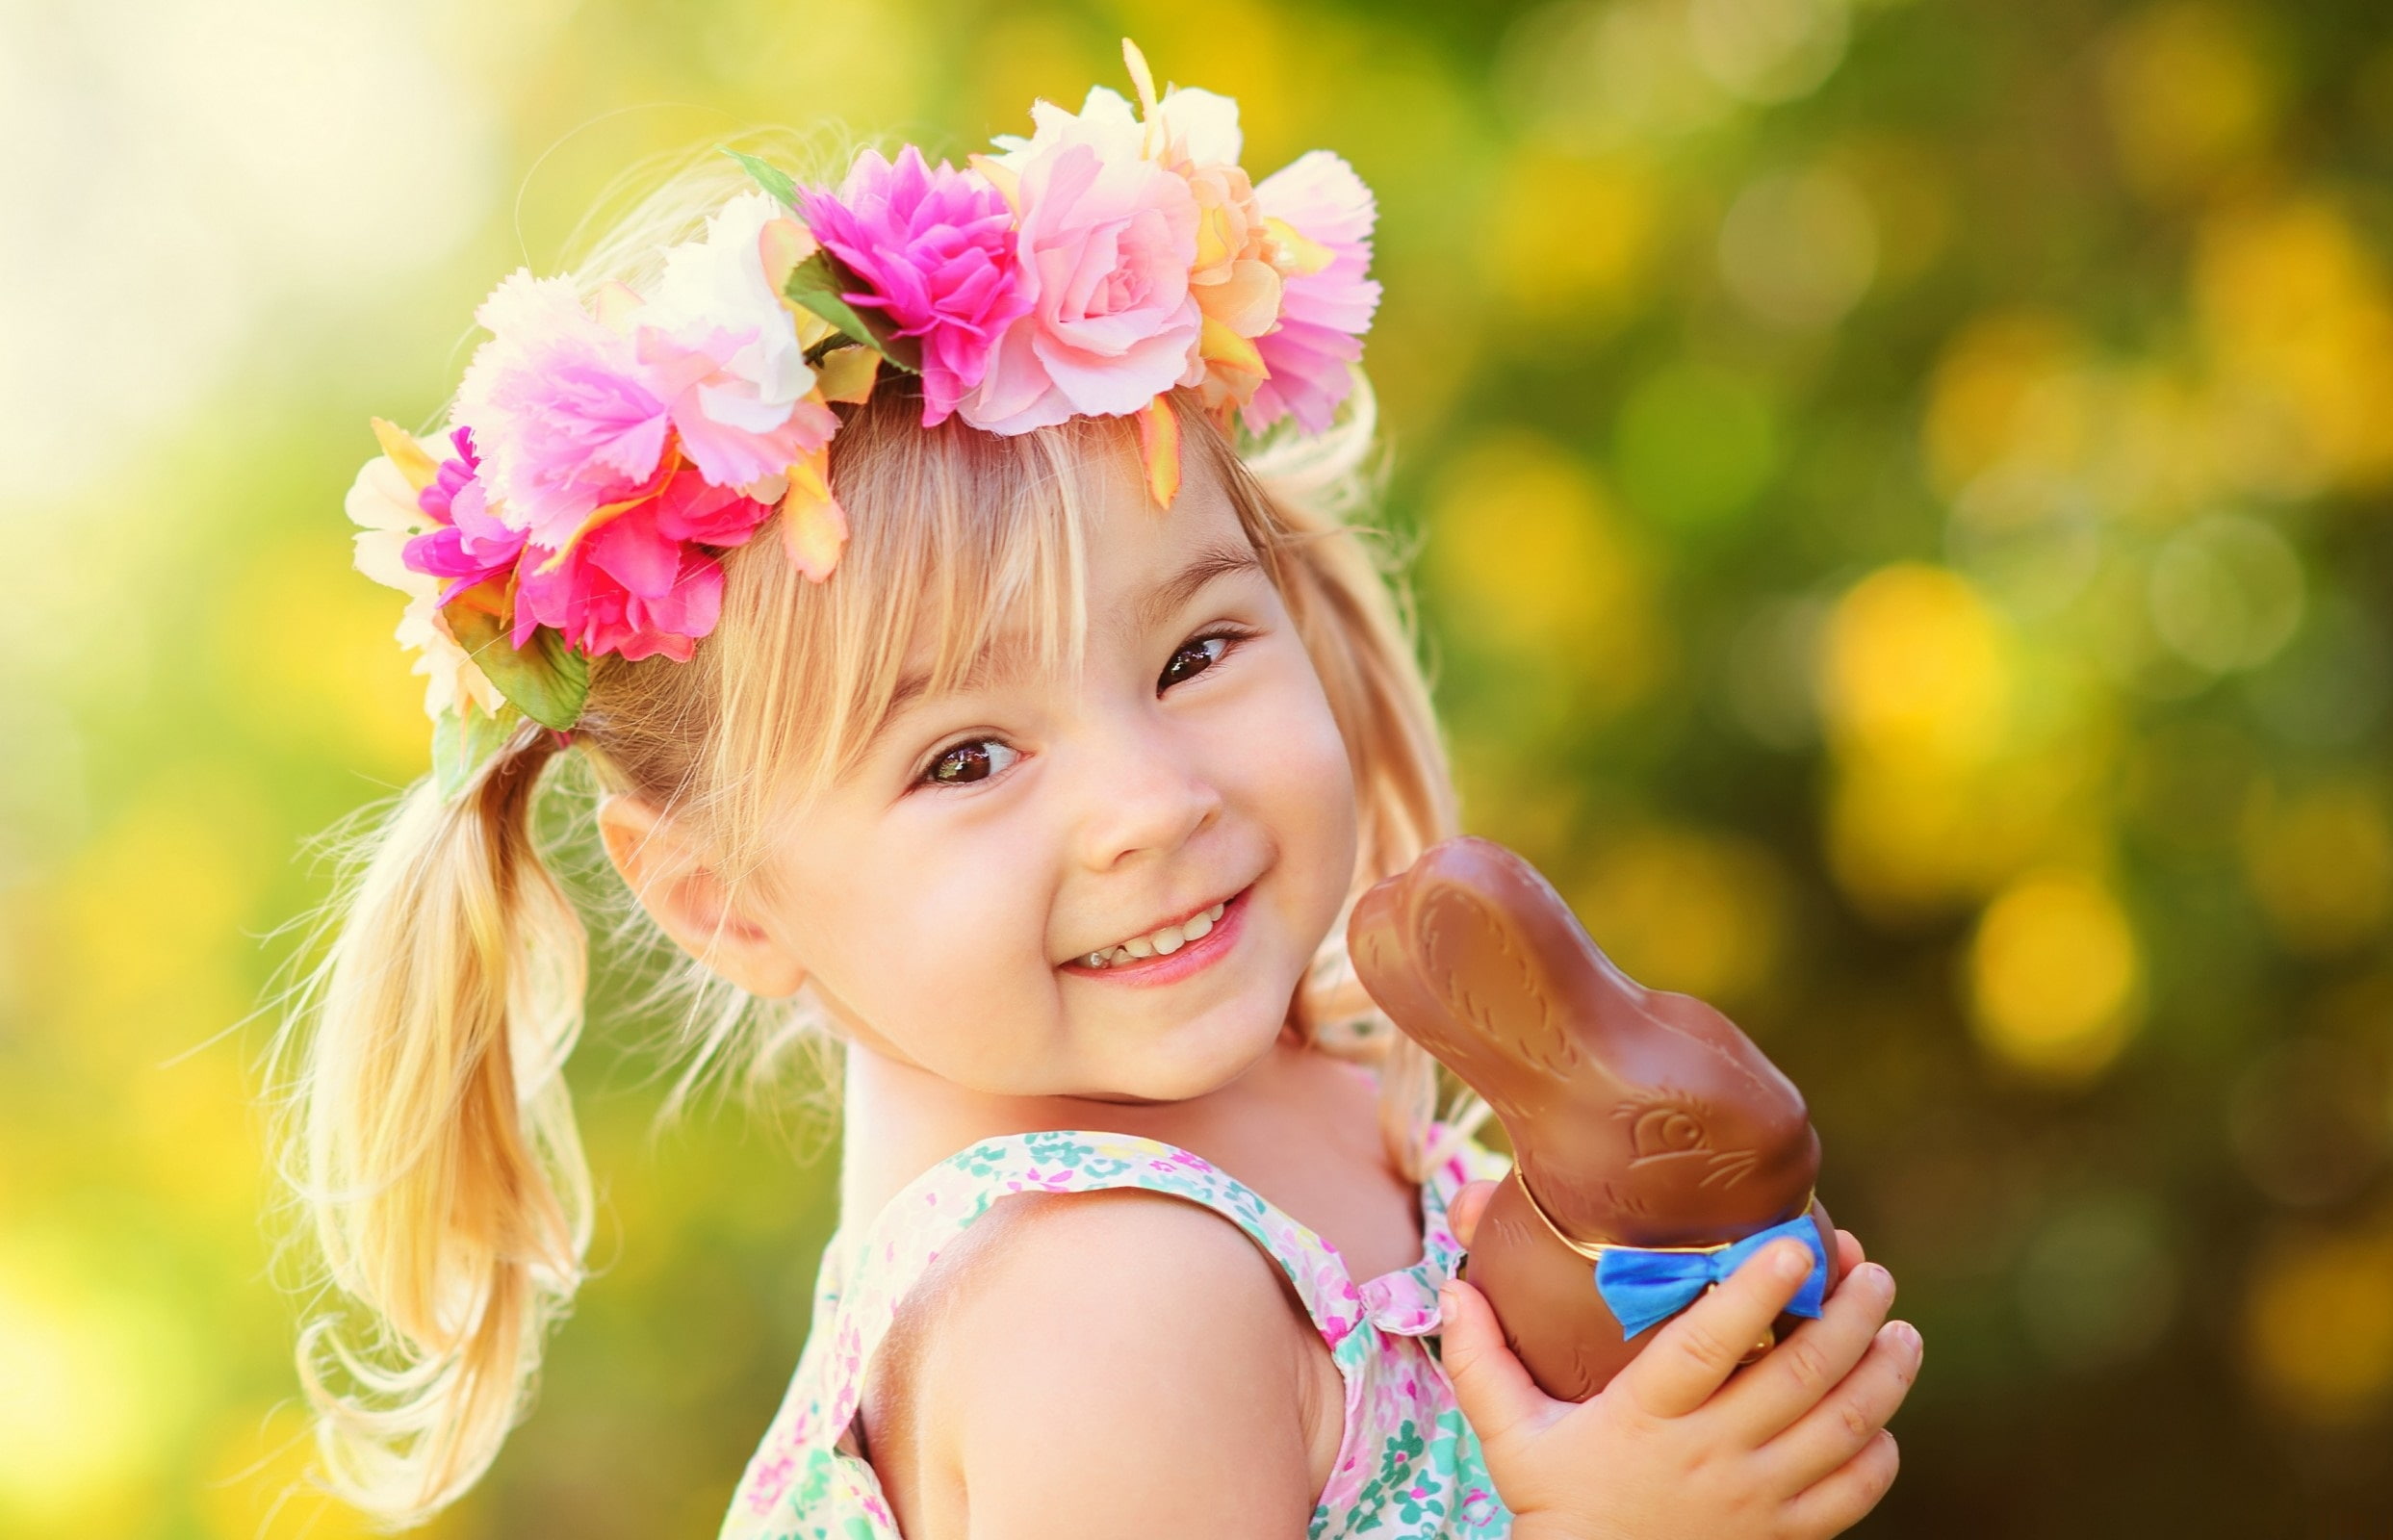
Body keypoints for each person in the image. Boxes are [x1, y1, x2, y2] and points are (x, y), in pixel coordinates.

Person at [274, 41, 1921, 1539]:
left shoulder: (1299, 1083)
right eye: (966, 759)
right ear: (728, 899)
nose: (1150, 804)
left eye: (1197, 652)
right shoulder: (1108, 1309)